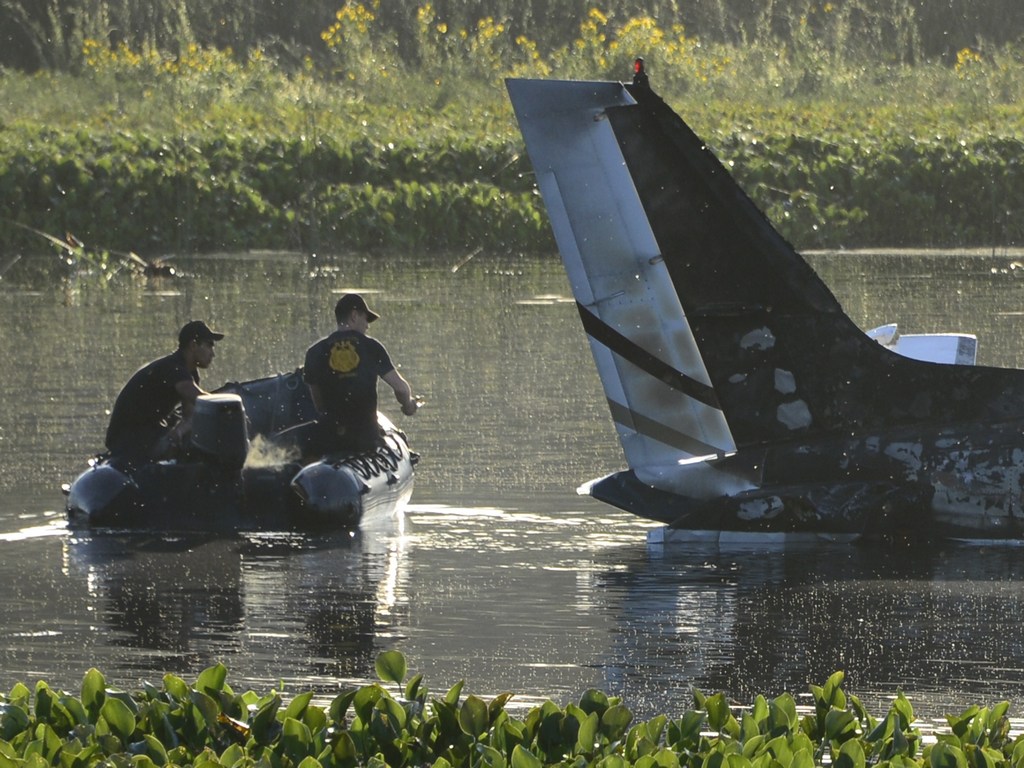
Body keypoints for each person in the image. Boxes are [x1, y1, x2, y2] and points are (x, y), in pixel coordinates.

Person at [282, 293, 417, 458]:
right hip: (365, 438)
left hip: (330, 438)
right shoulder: (372, 347)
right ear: (354, 315)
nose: (367, 326)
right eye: (365, 319)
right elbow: (401, 389)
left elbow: (319, 406)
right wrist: (409, 405)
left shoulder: (314, 352)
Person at [104, 320, 224, 468]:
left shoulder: (190, 373)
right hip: (129, 439)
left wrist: (179, 431)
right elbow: (200, 399)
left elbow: (190, 415)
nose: (213, 354)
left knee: (193, 439)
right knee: (189, 449)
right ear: (193, 345)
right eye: (209, 345)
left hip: (151, 431)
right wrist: (228, 409)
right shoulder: (173, 368)